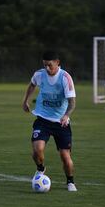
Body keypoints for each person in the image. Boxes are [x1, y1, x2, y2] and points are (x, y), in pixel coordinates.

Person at [22, 51, 77, 192]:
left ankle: (70, 182)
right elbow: (32, 85)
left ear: (57, 62)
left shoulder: (65, 78)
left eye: (50, 65)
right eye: (45, 65)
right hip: (43, 120)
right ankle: (40, 169)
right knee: (37, 150)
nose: (47, 68)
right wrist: (25, 100)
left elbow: (72, 103)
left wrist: (66, 115)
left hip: (61, 123)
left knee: (65, 157)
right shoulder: (39, 74)